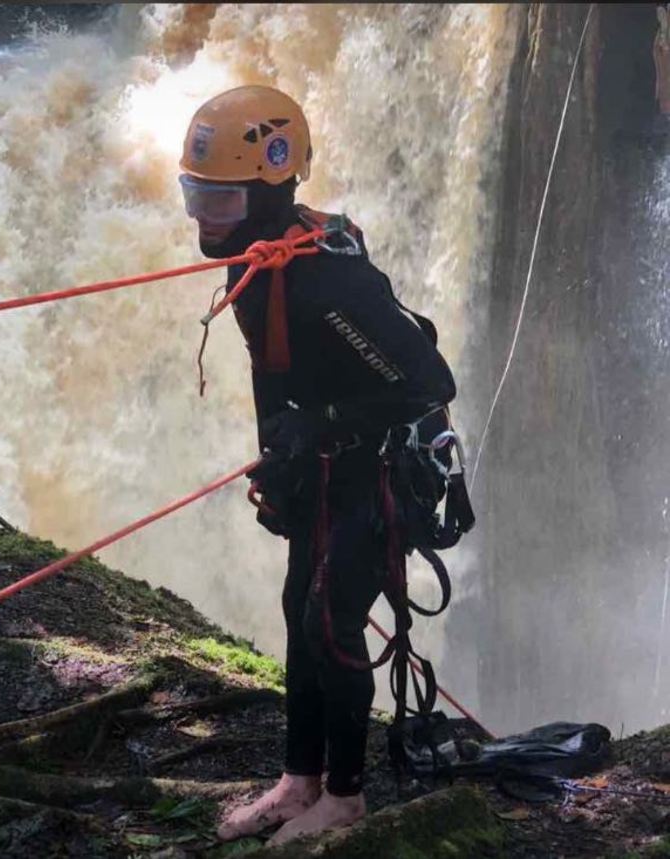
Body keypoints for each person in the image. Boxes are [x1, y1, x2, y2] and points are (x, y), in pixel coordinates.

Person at [178, 85, 457, 845]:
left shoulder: (331, 279)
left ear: (273, 184)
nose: (206, 217)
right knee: (299, 609)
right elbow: (275, 370)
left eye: (222, 199)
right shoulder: (257, 261)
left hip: (374, 474)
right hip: (323, 470)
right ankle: (298, 780)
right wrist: (280, 455)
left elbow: (428, 382)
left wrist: (321, 425)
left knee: (330, 622)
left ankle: (345, 794)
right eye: (195, 194)